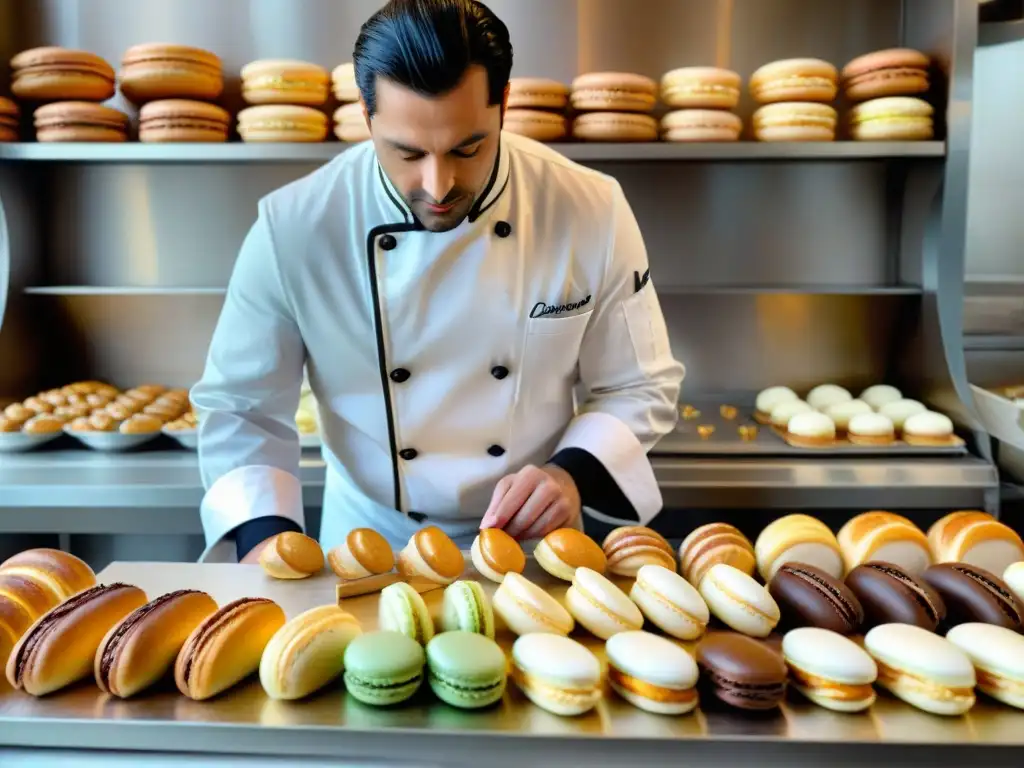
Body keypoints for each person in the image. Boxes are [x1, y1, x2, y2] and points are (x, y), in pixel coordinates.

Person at [191, 0, 684, 564]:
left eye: (467, 148)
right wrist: (264, 543)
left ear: (504, 105)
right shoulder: (295, 226)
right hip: (368, 545)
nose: (439, 184)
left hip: (532, 545)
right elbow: (241, 407)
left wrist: (569, 478)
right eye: (406, 152)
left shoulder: (589, 208)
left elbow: (639, 384)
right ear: (367, 115)